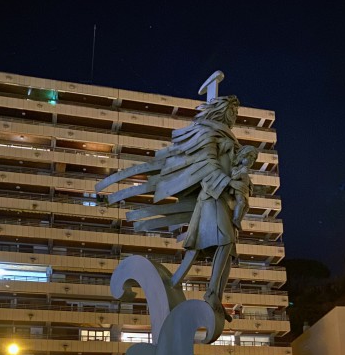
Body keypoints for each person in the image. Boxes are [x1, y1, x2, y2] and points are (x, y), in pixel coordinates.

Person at [95, 94, 251, 321]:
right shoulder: (208, 132)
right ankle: (211, 293)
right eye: (232, 112)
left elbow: (236, 167)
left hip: (227, 199)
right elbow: (206, 163)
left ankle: (216, 295)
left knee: (229, 252)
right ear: (222, 111)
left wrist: (242, 185)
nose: (235, 117)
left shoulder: (230, 138)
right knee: (225, 241)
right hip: (212, 195)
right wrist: (228, 182)